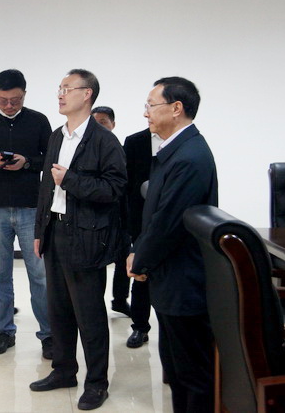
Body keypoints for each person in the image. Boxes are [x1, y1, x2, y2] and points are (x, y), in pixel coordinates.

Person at [30, 69, 127, 410]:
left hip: (86, 237)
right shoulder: (57, 136)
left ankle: (97, 383)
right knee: (58, 309)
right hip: (55, 231)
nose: (60, 94)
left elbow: (114, 189)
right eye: (59, 88)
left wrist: (71, 180)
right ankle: (63, 370)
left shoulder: (104, 141)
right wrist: (39, 230)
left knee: (89, 314)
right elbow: (46, 186)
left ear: (87, 94)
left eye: (67, 88)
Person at [128, 77, 218, 413]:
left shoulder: (189, 157)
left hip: (184, 282)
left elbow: (169, 223)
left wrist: (140, 259)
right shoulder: (176, 150)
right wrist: (139, 251)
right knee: (176, 371)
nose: (146, 113)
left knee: (192, 374)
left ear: (176, 108)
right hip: (170, 278)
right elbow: (156, 215)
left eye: (151, 105)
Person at [0, 69, 52, 357]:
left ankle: (48, 335)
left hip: (31, 207)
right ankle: (5, 331)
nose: (8, 105)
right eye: (2, 100)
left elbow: (50, 160)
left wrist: (26, 162)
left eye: (15, 100)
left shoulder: (39, 121)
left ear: (24, 95)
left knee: (39, 275)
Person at [122, 126, 163, 348]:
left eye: (152, 108)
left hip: (170, 217)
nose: (148, 113)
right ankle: (140, 326)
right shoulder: (135, 142)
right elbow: (125, 183)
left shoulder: (183, 143)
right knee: (140, 273)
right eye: (147, 109)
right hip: (141, 218)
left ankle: (169, 327)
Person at [91, 106, 132, 317]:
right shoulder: (86, 153)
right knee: (98, 262)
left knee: (123, 259)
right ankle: (95, 303)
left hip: (120, 215)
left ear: (113, 125)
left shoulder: (120, 150)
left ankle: (120, 300)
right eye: (95, 122)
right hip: (96, 217)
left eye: (103, 122)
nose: (99, 126)